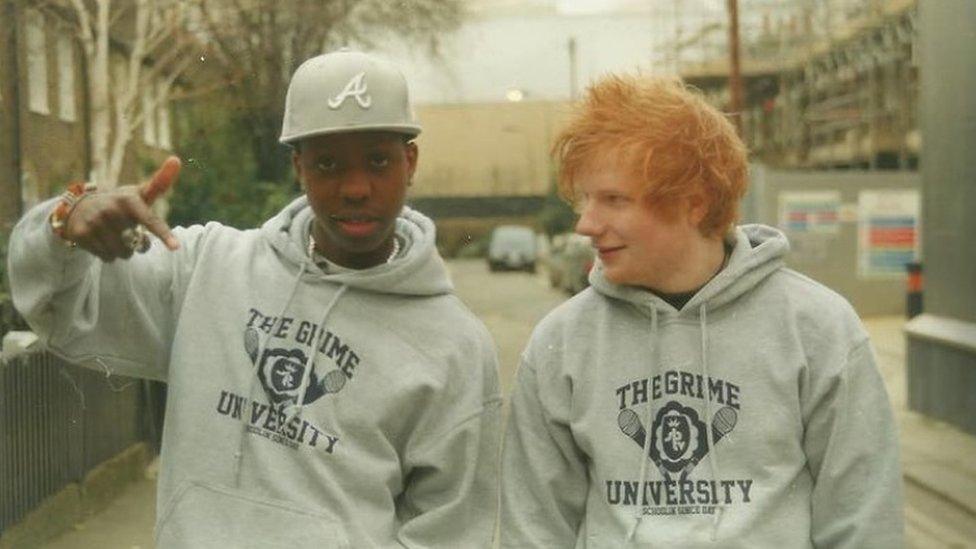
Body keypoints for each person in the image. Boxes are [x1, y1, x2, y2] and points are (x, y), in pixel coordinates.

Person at [9, 49, 501, 548]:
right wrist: (64, 223)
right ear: (298, 166)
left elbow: (451, 531)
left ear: (410, 161)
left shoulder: (454, 343)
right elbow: (62, 311)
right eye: (328, 162)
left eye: (377, 160)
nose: (355, 187)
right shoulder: (206, 267)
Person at [499, 73, 903, 548]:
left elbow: (863, 522)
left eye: (613, 200)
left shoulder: (819, 329)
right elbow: (533, 532)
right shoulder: (560, 343)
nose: (587, 223)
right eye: (586, 200)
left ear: (693, 203)